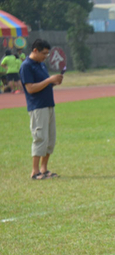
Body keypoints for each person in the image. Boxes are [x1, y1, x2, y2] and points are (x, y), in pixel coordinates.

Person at [19, 39, 63, 180]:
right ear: (35, 50)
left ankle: (44, 169)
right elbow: (30, 88)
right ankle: (35, 171)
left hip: (49, 105)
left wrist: (54, 82)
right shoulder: (26, 66)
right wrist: (49, 80)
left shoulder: (41, 65)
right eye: (44, 53)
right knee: (40, 138)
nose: (46, 56)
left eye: (47, 54)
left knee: (50, 139)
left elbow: (44, 85)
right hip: (37, 107)